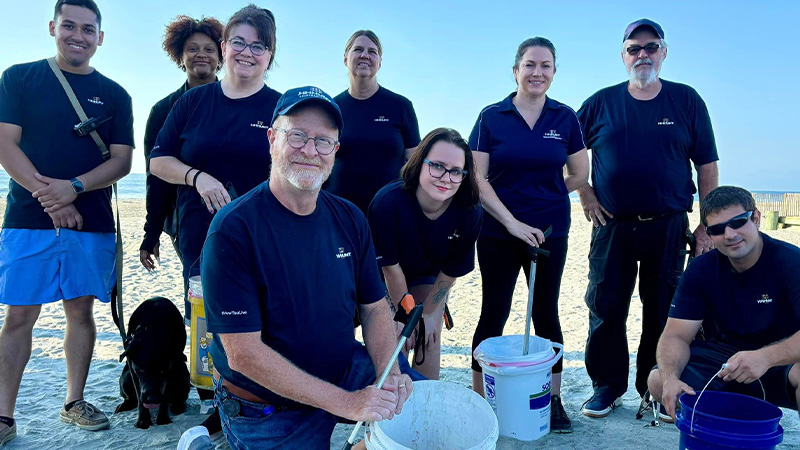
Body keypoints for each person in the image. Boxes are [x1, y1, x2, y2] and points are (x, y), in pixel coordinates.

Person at [201, 86, 419, 449]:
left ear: (335, 150)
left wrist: (390, 374)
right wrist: (348, 403)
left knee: (423, 413)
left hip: (343, 369)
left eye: (323, 141)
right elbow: (243, 354)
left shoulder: (350, 218)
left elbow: (374, 308)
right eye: (297, 135)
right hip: (267, 407)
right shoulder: (234, 229)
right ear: (272, 139)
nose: (310, 150)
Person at [0, 0, 133, 444]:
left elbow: (121, 162)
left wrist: (73, 188)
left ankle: (74, 400)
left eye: (88, 29)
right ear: (53, 27)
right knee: (19, 315)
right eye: (69, 26)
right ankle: (3, 415)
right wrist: (51, 199)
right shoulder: (19, 78)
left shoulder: (115, 94)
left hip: (90, 219)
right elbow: (5, 145)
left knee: (81, 310)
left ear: (100, 37)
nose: (79, 35)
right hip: (27, 219)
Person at [576, 18, 719, 418]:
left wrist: (706, 225)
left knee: (663, 310)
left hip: (669, 224)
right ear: (623, 56)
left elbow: (707, 166)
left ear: (664, 53)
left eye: (651, 47)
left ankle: (652, 386)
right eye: (634, 48)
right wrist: (584, 192)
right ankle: (606, 387)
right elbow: (567, 151)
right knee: (605, 307)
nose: (643, 54)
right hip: (612, 224)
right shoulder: (600, 103)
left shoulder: (686, 100)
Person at [149, 4, 281, 437]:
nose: (247, 52)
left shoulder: (280, 107)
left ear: (269, 54)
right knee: (208, 323)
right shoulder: (193, 101)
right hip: (200, 236)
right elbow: (158, 161)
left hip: (262, 236)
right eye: (238, 42)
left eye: (258, 45)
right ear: (225, 48)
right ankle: (219, 403)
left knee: (259, 321)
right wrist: (197, 176)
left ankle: (256, 401)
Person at [468, 37, 589, 433]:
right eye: (530, 65)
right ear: (516, 70)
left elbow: (580, 174)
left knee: (546, 313)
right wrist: (511, 221)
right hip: (498, 232)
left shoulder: (565, 117)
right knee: (494, 311)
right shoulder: (492, 117)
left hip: (550, 232)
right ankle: (480, 400)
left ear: (554, 72)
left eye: (546, 66)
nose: (538, 72)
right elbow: (477, 179)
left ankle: (552, 400)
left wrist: (548, 194)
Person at [647, 186, 800, 421]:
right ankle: (729, 429)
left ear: (756, 218)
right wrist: (670, 379)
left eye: (738, 222)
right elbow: (676, 335)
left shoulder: (791, 263)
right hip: (724, 363)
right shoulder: (701, 269)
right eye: (718, 229)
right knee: (658, 380)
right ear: (709, 234)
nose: (729, 234)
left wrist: (765, 357)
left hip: (780, 360)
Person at [368, 128, 482, 380]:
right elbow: (390, 269)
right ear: (420, 162)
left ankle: (425, 395)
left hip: (428, 275)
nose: (446, 178)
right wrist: (407, 314)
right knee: (396, 332)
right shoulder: (388, 203)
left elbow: (450, 273)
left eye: (456, 171)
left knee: (428, 334)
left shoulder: (469, 211)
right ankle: (390, 394)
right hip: (383, 275)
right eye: (437, 166)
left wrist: (428, 315)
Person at [140, 15, 224, 273]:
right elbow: (156, 176)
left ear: (221, 55)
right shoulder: (163, 110)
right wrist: (152, 232)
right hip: (186, 221)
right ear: (180, 56)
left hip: (238, 216)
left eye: (209, 49)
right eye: (192, 49)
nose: (202, 55)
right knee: (198, 288)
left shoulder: (238, 104)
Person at [325, 30, 421, 213]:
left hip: (389, 212)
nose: (365, 55)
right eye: (358, 49)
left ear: (379, 62)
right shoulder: (331, 108)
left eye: (372, 51)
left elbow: (415, 165)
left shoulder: (401, 106)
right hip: (339, 212)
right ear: (345, 59)